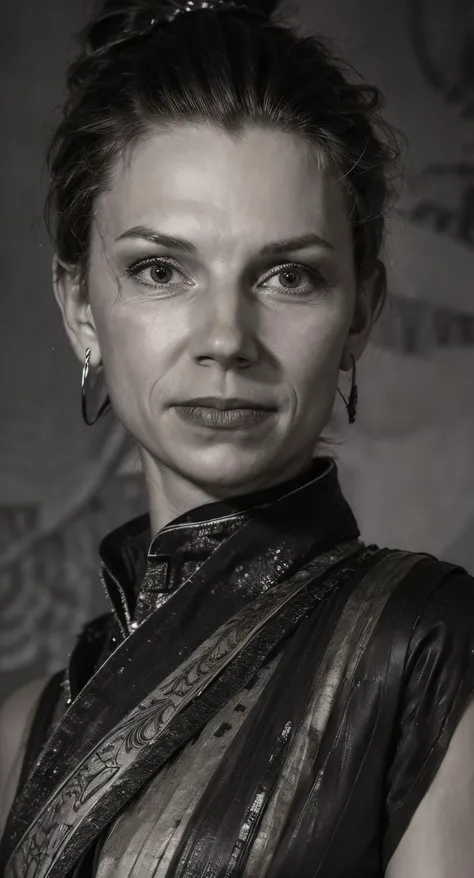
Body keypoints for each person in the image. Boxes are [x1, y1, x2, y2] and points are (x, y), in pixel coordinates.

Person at [1, 0, 473, 875]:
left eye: (289, 275)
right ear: (80, 310)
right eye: (160, 270)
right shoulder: (26, 730)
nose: (226, 336)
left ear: (361, 310)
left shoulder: (426, 649)